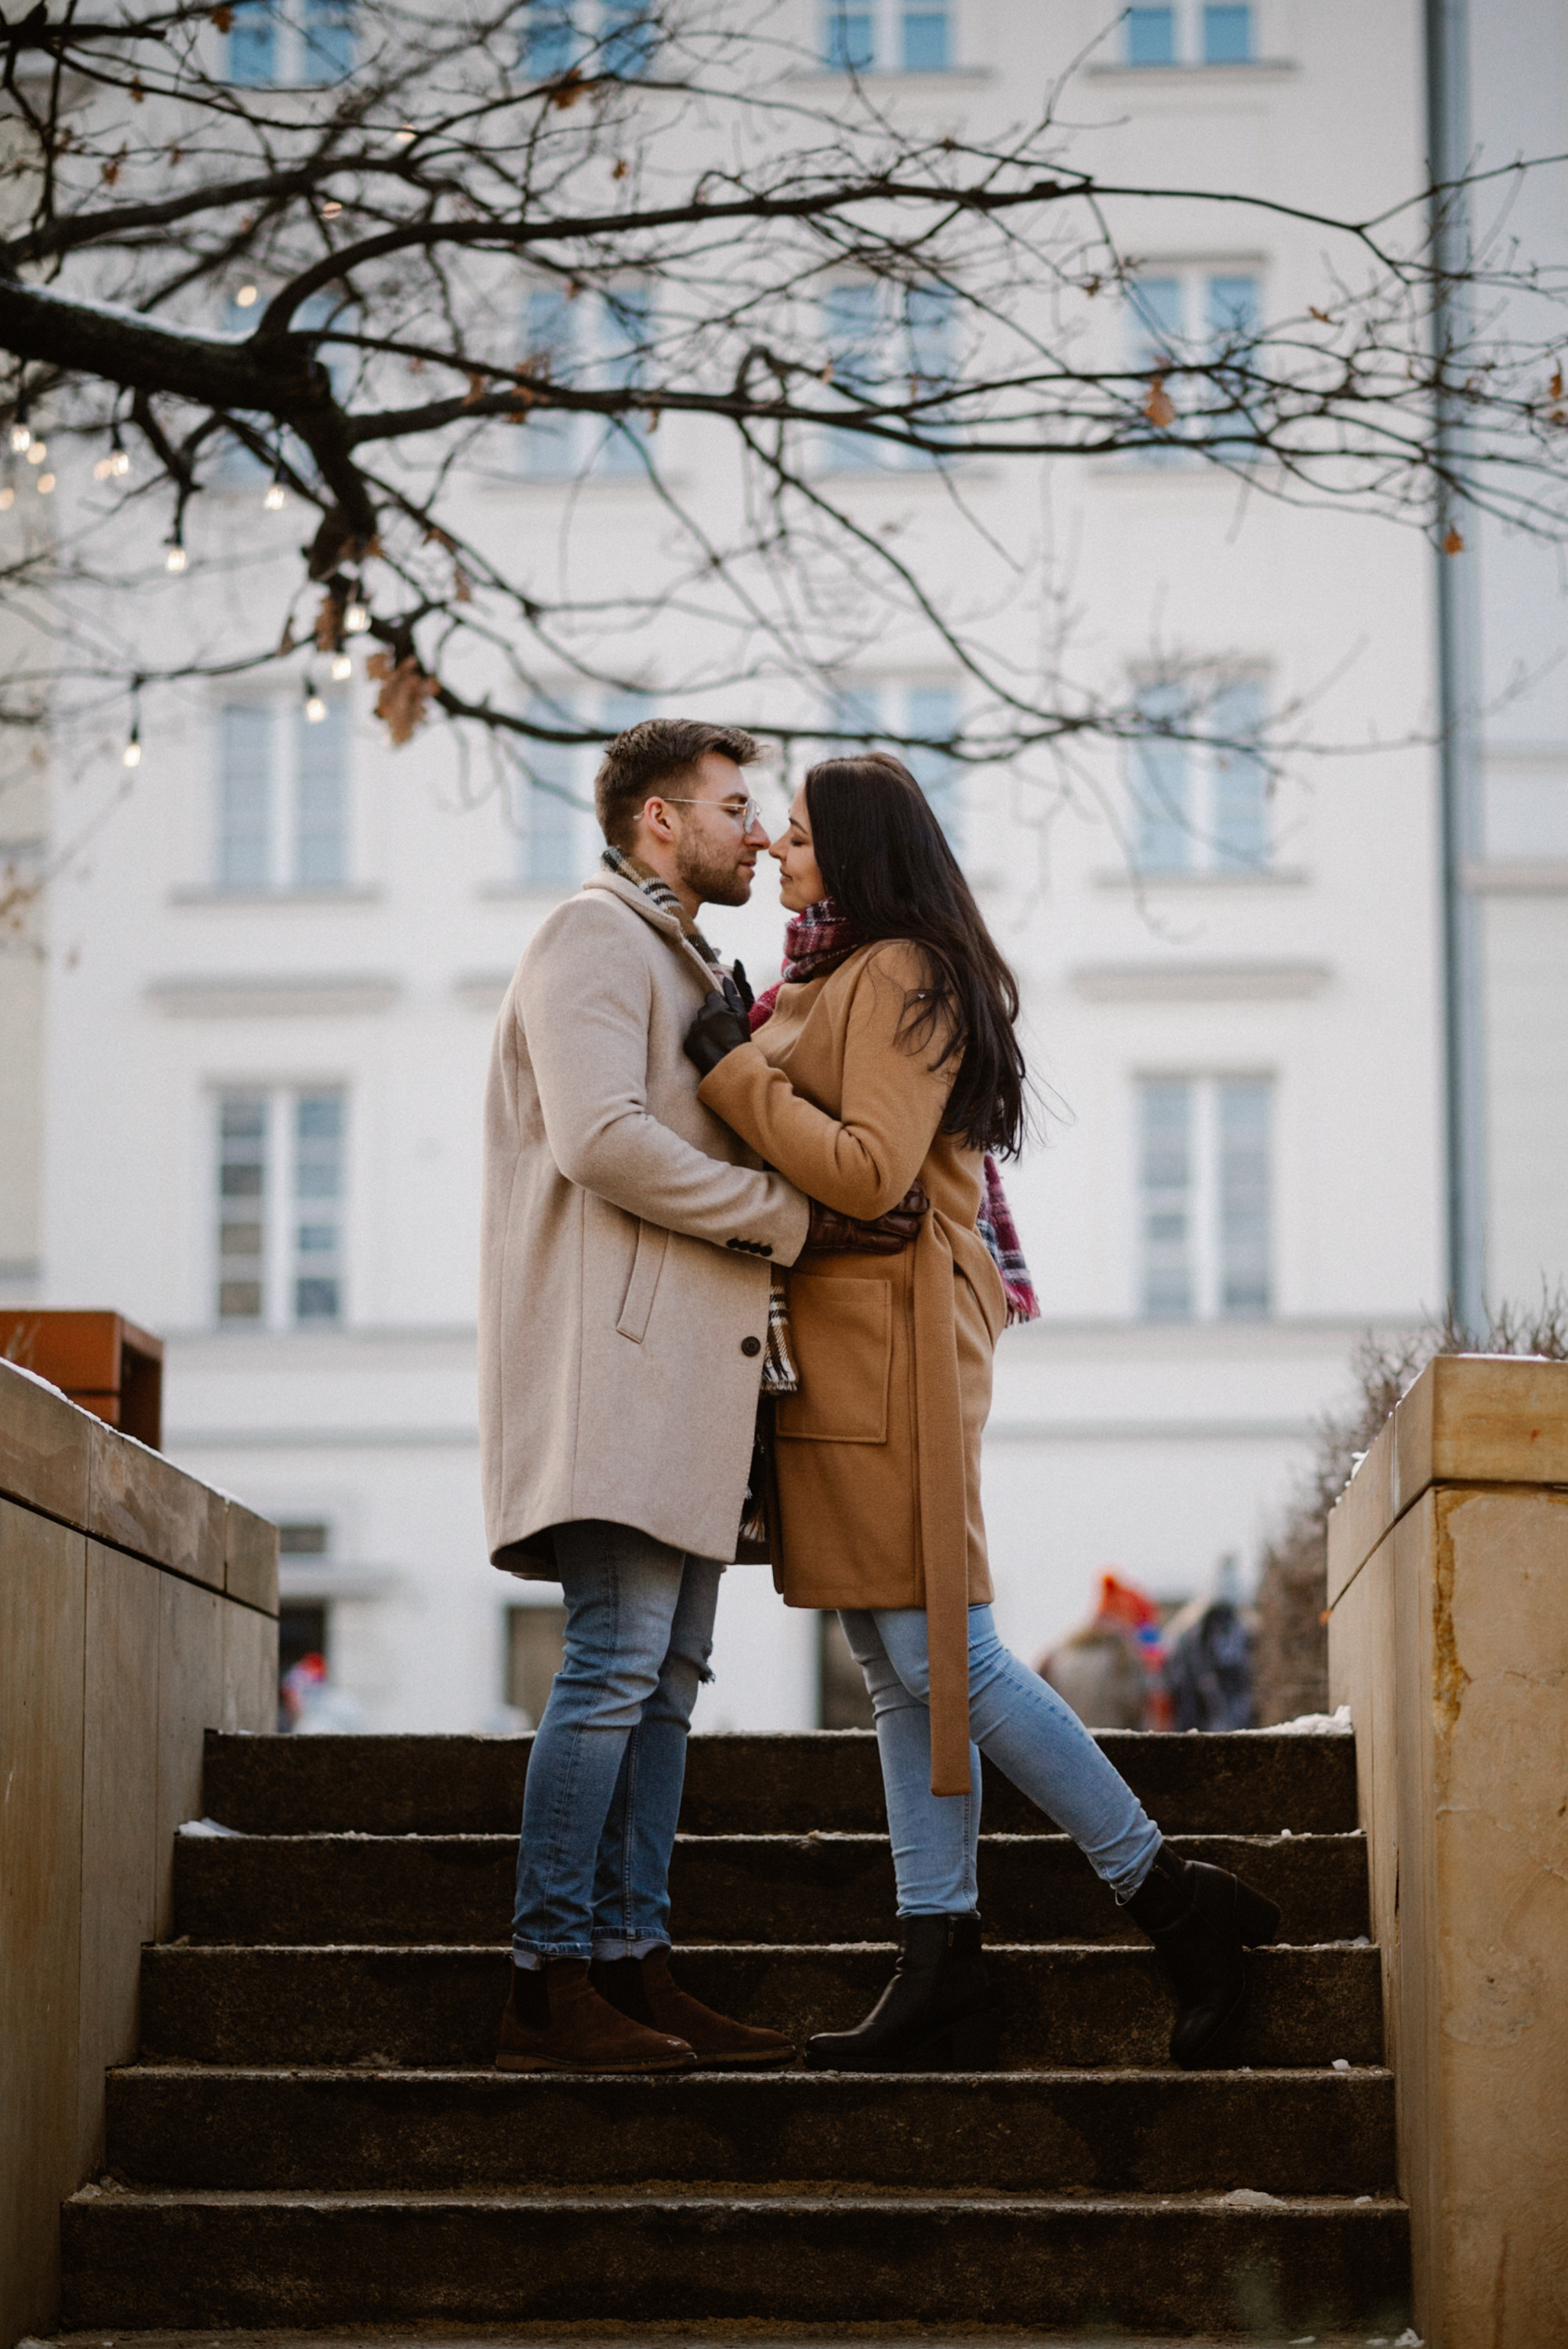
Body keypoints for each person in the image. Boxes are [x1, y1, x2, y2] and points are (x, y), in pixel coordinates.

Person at [684, 752, 1283, 2071]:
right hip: (845, 1343)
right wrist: (753, 1047)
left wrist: (734, 1073)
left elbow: (869, 1166)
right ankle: (940, 1955)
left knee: (951, 1657)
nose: (779, 850)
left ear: (858, 849)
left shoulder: (900, 973)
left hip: (891, 1344)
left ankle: (1173, 1901)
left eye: (797, 834)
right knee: (903, 1673)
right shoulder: (827, 974)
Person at [478, 719, 921, 2075]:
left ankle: (634, 1962)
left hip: (683, 1374)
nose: (761, 833)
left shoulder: (676, 956)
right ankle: (546, 1981)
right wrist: (785, 1217)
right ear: (662, 821)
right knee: (618, 1664)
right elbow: (600, 1139)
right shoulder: (592, 937)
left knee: (664, 1679)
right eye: (737, 807)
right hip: (612, 1368)